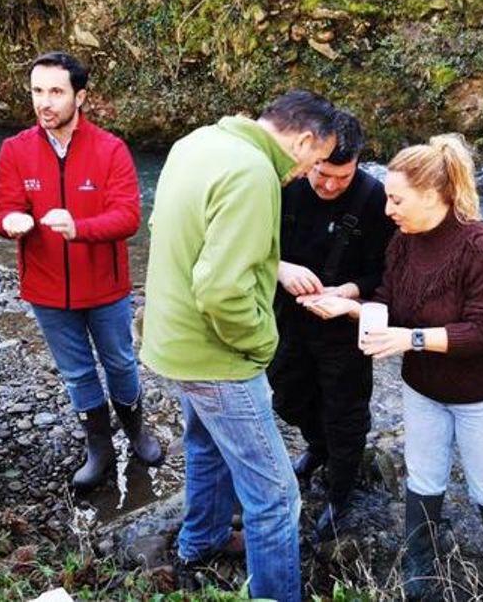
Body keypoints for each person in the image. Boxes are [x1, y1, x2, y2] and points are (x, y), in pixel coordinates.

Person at [140, 89, 341, 602]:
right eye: (316, 160)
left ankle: (200, 540)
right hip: (216, 356)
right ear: (302, 140)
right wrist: (259, 342)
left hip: (172, 339)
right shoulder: (253, 173)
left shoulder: (200, 141)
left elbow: (166, 228)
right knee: (275, 496)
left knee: (206, 443)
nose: (309, 174)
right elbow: (221, 289)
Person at [304, 134, 483, 598]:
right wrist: (351, 305)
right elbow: (391, 303)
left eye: (397, 200)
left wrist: (409, 339)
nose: (388, 211)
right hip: (424, 387)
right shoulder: (403, 244)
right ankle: (421, 563)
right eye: (387, 198)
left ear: (434, 195)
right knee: (423, 476)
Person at [0, 51, 162, 493]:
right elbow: (2, 210)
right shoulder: (15, 149)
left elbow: (128, 218)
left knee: (121, 362)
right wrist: (10, 222)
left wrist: (79, 228)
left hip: (105, 288)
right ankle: (99, 448)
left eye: (56, 92)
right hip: (45, 289)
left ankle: (137, 432)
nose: (44, 102)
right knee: (77, 373)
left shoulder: (110, 149)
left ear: (80, 96)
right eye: (37, 91)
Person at [269, 111, 394, 539]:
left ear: (358, 163)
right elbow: (252, 246)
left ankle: (341, 488)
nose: (328, 185)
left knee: (345, 410)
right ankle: (318, 446)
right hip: (287, 314)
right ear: (311, 158)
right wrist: (281, 267)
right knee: (286, 396)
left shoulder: (375, 197)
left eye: (341, 177)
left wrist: (350, 292)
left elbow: (385, 271)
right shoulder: (286, 186)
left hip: (343, 323)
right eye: (322, 173)